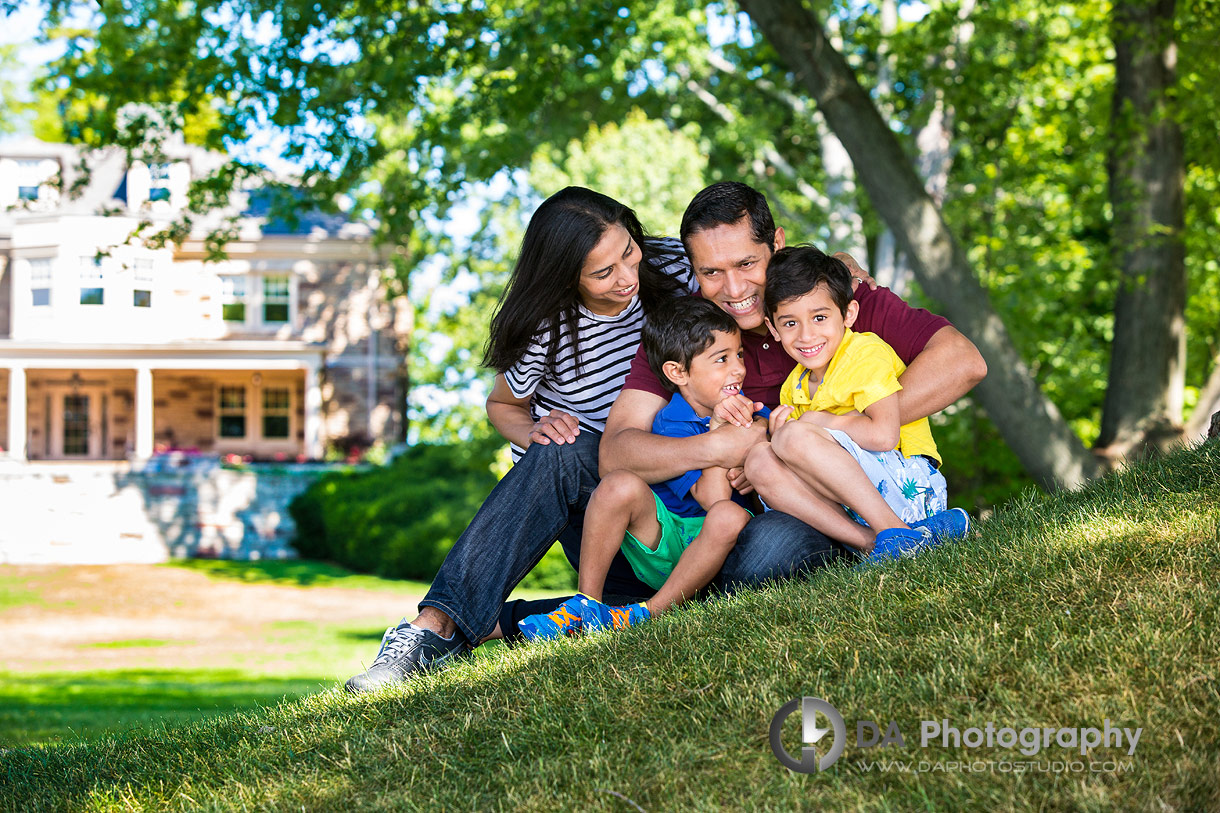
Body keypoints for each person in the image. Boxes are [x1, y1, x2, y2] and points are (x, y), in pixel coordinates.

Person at [345, 187, 696, 693]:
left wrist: (845, 272)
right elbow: (503, 405)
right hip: (602, 494)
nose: (627, 278)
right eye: (603, 273)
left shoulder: (672, 266)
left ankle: (499, 623)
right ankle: (430, 632)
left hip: (683, 486)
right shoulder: (545, 327)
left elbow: (765, 280)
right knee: (561, 449)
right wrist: (533, 428)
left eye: (627, 253)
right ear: (564, 277)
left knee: (669, 602)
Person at [600, 182, 986, 582]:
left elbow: (962, 362)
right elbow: (615, 454)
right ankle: (882, 544)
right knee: (757, 542)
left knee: (766, 549)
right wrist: (720, 447)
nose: (734, 290)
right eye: (711, 272)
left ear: (777, 243)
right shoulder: (692, 330)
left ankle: (889, 529)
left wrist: (820, 431)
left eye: (747, 264)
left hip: (877, 482)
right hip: (788, 502)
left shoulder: (829, 296)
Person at [516, 298, 755, 640]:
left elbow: (725, 505)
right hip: (669, 540)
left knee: (730, 517)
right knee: (617, 484)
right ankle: (585, 603)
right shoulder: (673, 421)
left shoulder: (745, 406)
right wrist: (719, 434)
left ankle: (650, 612)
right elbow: (712, 498)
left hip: (720, 547)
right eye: (722, 359)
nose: (738, 369)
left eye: (740, 355)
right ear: (677, 372)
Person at [750, 244, 957, 561]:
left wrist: (817, 423)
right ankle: (875, 543)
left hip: (912, 486)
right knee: (759, 460)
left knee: (792, 437)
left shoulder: (863, 353)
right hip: (857, 505)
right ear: (773, 329)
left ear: (849, 314)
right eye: (790, 323)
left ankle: (896, 531)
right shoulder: (795, 385)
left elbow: (885, 435)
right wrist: (782, 438)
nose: (806, 335)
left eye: (820, 317)